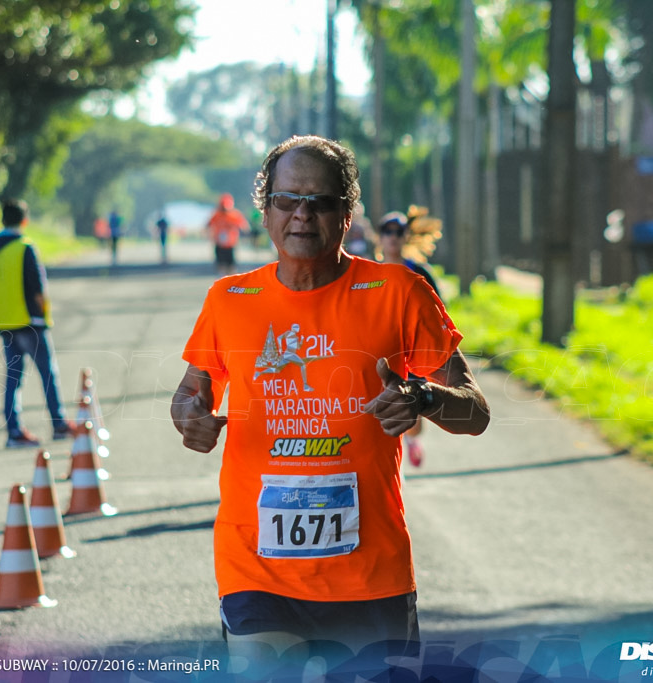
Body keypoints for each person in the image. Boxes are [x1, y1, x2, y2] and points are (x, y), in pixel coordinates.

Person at [171, 136, 490, 667]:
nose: (302, 214)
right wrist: (190, 417)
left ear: (347, 213)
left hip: (370, 578)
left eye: (320, 201)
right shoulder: (230, 300)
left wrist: (423, 396)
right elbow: (191, 391)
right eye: (287, 199)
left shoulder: (398, 292)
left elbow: (474, 411)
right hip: (256, 571)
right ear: (265, 209)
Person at [0, 199, 73, 448]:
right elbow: (38, 288)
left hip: (6, 324)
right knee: (47, 373)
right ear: (25, 220)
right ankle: (58, 424)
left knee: (13, 379)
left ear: (2, 221)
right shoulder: (25, 248)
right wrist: (43, 316)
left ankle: (13, 431)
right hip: (30, 322)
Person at [376, 208, 445, 467]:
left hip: (411, 348)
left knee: (413, 404)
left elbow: (438, 309)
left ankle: (413, 441)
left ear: (406, 236)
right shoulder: (368, 272)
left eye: (398, 232)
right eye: (387, 232)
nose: (393, 237)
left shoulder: (419, 272)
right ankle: (389, 454)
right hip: (379, 347)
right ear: (379, 237)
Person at [206, 193, 248, 276]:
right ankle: (222, 279)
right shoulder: (216, 215)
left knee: (231, 265)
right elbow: (208, 225)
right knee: (221, 264)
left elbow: (244, 226)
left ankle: (230, 280)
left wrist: (244, 234)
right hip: (219, 244)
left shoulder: (234, 215)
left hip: (230, 244)